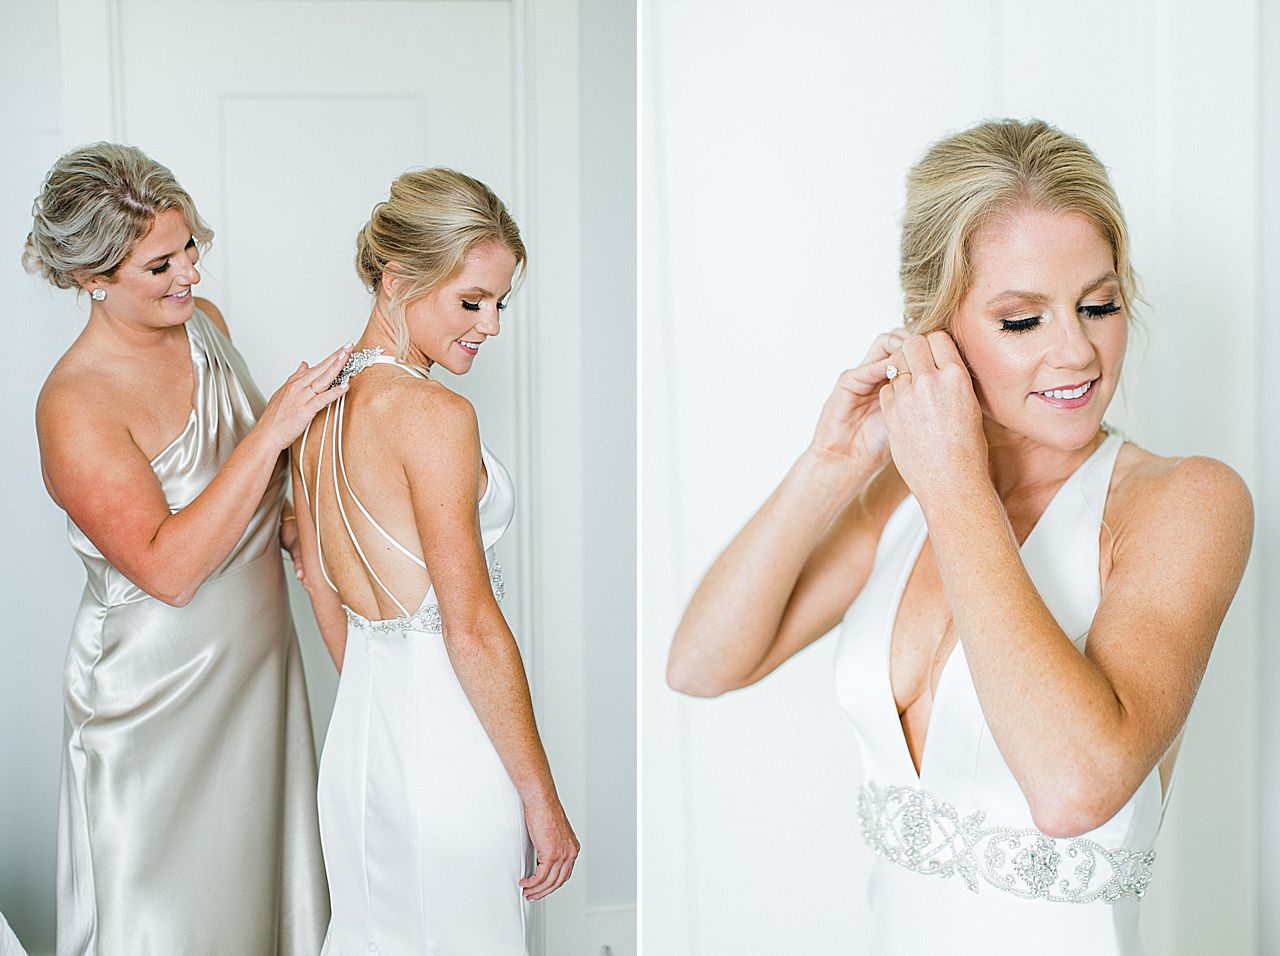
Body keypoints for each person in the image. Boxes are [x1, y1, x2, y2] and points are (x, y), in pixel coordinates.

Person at [666, 119, 1252, 954]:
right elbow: (700, 665)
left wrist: (953, 486)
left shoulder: (1184, 502)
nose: (1078, 351)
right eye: (1023, 321)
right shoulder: (899, 494)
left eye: (1099, 305)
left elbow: (1074, 791)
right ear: (930, 324)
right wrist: (830, 464)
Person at [26, 142, 347, 954]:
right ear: (90, 277)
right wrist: (274, 430)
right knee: (169, 919)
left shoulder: (206, 328)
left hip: (256, 668)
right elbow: (167, 570)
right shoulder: (76, 404)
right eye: (161, 265)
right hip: (156, 697)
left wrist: (290, 520)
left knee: (260, 902)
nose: (191, 275)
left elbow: (244, 493)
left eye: (191, 247)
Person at [290, 167, 578, 955]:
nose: (491, 325)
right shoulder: (435, 415)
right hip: (450, 749)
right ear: (396, 279)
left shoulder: (312, 409)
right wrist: (542, 798)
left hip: (359, 745)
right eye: (472, 301)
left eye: (500, 304)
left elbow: (320, 586)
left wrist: (386, 704)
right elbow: (471, 625)